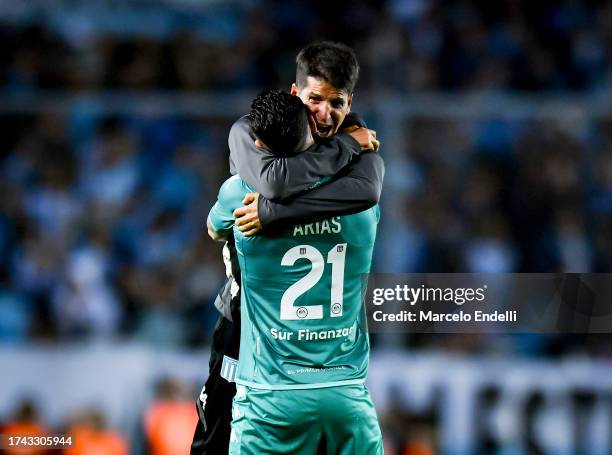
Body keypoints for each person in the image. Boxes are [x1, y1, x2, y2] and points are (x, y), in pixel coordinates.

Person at [191, 41, 383, 454]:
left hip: (270, 369)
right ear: (296, 95)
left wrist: (273, 214)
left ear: (351, 102)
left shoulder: (241, 189)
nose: (324, 114)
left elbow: (219, 224)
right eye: (315, 100)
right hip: (247, 327)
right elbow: (283, 181)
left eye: (337, 103)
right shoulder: (253, 133)